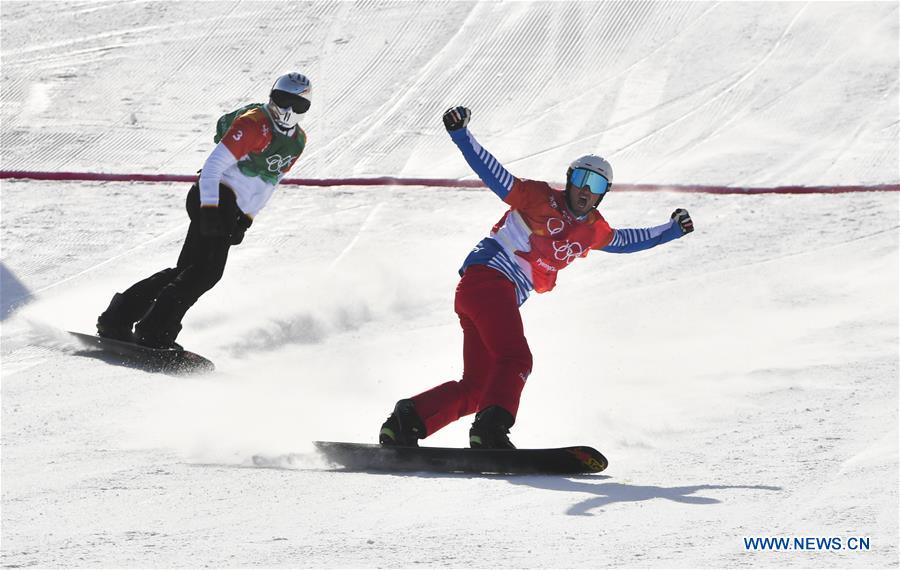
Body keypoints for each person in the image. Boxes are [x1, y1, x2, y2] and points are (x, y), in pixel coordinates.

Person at [379, 106, 695, 449]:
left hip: (485, 295)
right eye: (580, 179)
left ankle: (407, 421)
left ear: (603, 193)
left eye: (595, 184)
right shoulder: (538, 197)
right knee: (516, 359)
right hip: (489, 280)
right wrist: (461, 135)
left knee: (479, 388)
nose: (585, 189)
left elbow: (626, 241)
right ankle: (490, 432)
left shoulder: (592, 229)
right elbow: (495, 176)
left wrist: (672, 230)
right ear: (569, 180)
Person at [95, 72, 312, 349]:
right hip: (214, 195)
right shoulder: (254, 124)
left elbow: (269, 183)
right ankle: (154, 331)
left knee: (188, 270)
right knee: (207, 272)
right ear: (272, 97)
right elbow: (212, 167)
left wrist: (247, 218)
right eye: (282, 100)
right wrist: (209, 209)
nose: (288, 109)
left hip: (231, 206)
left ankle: (119, 317)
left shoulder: (297, 141)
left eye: (298, 104)